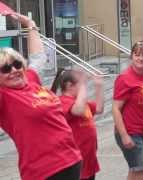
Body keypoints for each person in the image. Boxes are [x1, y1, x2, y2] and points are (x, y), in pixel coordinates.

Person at [0, 13, 82, 180]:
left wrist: (30, 24)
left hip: (71, 161)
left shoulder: (31, 80)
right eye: (5, 69)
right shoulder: (5, 97)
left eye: (16, 64)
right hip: (43, 172)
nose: (14, 70)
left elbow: (38, 57)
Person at [112, 41, 143, 180]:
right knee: (140, 170)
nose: (140, 58)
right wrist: (124, 135)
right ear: (131, 56)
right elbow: (115, 108)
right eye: (137, 55)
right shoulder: (124, 78)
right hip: (129, 131)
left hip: (142, 131)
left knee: (135, 169)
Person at [51, 70, 104, 180]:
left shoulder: (80, 102)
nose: (84, 87)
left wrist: (99, 86)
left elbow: (99, 109)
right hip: (75, 161)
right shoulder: (63, 101)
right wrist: (83, 85)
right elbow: (78, 110)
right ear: (69, 85)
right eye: (81, 84)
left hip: (88, 159)